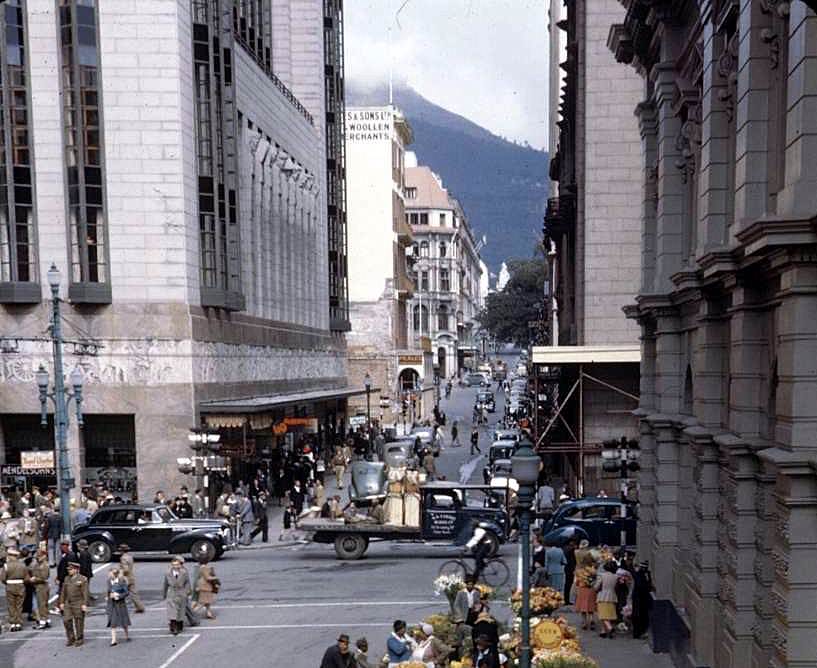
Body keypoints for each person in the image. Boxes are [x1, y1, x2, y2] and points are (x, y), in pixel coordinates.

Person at [59, 561, 88, 647]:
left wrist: (84, 604)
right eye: (68, 569)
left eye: (71, 569)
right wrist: (61, 602)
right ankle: (71, 638)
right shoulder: (66, 578)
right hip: (68, 602)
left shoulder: (83, 579)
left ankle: (79, 638)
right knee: (66, 620)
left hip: (78, 602)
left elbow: (85, 592)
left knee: (79, 621)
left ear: (76, 570)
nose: (69, 571)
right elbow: (63, 591)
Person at [162, 556, 191, 635]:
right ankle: (173, 626)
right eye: (174, 565)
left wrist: (187, 592)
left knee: (181, 611)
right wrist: (164, 594)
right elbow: (165, 584)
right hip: (172, 593)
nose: (176, 567)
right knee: (172, 611)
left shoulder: (184, 572)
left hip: (181, 593)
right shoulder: (168, 573)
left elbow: (187, 583)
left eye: (177, 565)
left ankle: (179, 625)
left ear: (180, 565)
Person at [3, 547, 26, 631]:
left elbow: (2, 578)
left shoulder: (6, 565)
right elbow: (26, 577)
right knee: (19, 606)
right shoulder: (22, 565)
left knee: (11, 606)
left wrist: (7, 583)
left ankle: (13, 623)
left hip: (10, 586)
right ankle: (19, 623)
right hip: (20, 586)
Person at [106, 567, 131, 645]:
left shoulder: (121, 581)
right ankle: (114, 640)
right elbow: (108, 591)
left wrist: (118, 596)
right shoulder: (108, 581)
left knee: (124, 621)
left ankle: (126, 635)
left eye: (110, 574)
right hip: (112, 604)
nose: (109, 576)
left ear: (115, 575)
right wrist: (108, 597)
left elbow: (126, 592)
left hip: (120, 604)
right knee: (113, 622)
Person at [595, 560, 620, 638]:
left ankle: (609, 627)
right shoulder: (616, 576)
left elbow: (597, 586)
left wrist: (594, 587)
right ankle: (603, 631)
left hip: (602, 595)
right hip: (612, 596)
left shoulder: (602, 575)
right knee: (608, 614)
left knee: (602, 614)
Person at [119, 543, 145, 613]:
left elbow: (125, 569)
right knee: (134, 593)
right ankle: (140, 607)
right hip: (131, 576)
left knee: (119, 592)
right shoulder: (130, 557)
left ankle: (119, 608)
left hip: (126, 578)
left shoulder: (123, 558)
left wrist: (120, 573)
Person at [631, 560, 654, 639]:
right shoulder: (641, 574)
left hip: (641, 598)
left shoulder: (642, 574)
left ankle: (639, 632)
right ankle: (638, 632)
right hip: (640, 598)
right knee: (640, 616)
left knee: (641, 616)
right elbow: (642, 585)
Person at [30, 547, 51, 629]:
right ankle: (46, 620)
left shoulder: (44, 565)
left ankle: (43, 622)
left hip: (42, 586)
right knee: (43, 605)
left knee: (41, 605)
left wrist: (35, 579)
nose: (37, 558)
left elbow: (44, 577)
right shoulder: (39, 564)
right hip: (39, 586)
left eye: (38, 556)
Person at [563, 538, 577, 604]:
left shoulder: (565, 548)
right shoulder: (569, 549)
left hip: (567, 568)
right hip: (569, 569)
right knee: (568, 585)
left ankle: (566, 599)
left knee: (568, 585)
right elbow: (573, 560)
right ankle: (567, 600)